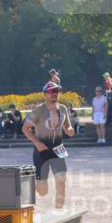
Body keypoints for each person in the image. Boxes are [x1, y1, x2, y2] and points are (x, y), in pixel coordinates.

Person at [24, 81, 75, 209]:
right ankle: (33, 185)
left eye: (56, 91)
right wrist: (38, 143)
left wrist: (69, 130)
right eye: (51, 91)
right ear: (45, 94)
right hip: (42, 151)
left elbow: (67, 125)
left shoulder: (62, 109)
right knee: (43, 191)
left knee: (61, 181)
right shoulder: (39, 110)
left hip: (58, 149)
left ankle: (59, 211)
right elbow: (25, 129)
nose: (54, 94)